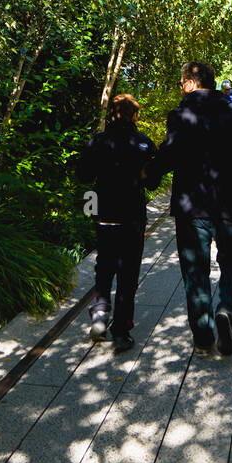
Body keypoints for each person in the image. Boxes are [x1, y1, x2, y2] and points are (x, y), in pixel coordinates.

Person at [143, 61, 232, 357]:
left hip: (191, 207)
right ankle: (227, 309)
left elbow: (170, 152)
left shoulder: (181, 114)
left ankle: (202, 335)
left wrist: (151, 174)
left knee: (195, 269)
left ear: (189, 83)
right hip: (230, 204)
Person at [75, 93, 157, 353]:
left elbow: (83, 175)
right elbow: (153, 181)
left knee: (104, 265)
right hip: (132, 216)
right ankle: (121, 331)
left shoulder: (98, 141)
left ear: (112, 114)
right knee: (128, 271)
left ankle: (99, 314)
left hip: (104, 213)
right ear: (134, 116)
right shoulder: (144, 144)